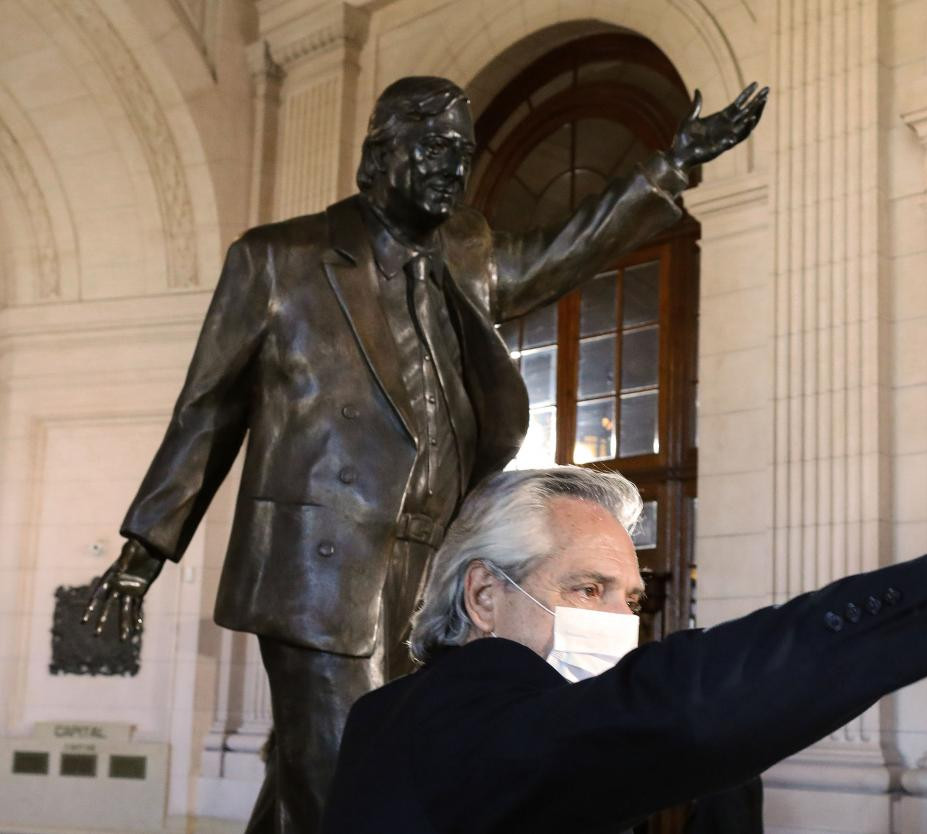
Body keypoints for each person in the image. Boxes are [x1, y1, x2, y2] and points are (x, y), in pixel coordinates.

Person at [79, 75, 767, 833]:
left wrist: (667, 167)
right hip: (321, 567)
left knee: (343, 760)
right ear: (377, 157)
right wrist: (142, 552)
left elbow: (565, 251)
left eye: (462, 153)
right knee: (350, 770)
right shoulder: (281, 259)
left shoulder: (465, 252)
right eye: (432, 147)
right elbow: (207, 411)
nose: (451, 165)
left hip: (436, 562)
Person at [321, 390, 927, 834]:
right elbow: (678, 708)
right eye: (588, 590)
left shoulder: (621, 739)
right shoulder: (424, 720)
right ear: (485, 596)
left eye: (632, 599)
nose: (620, 620)